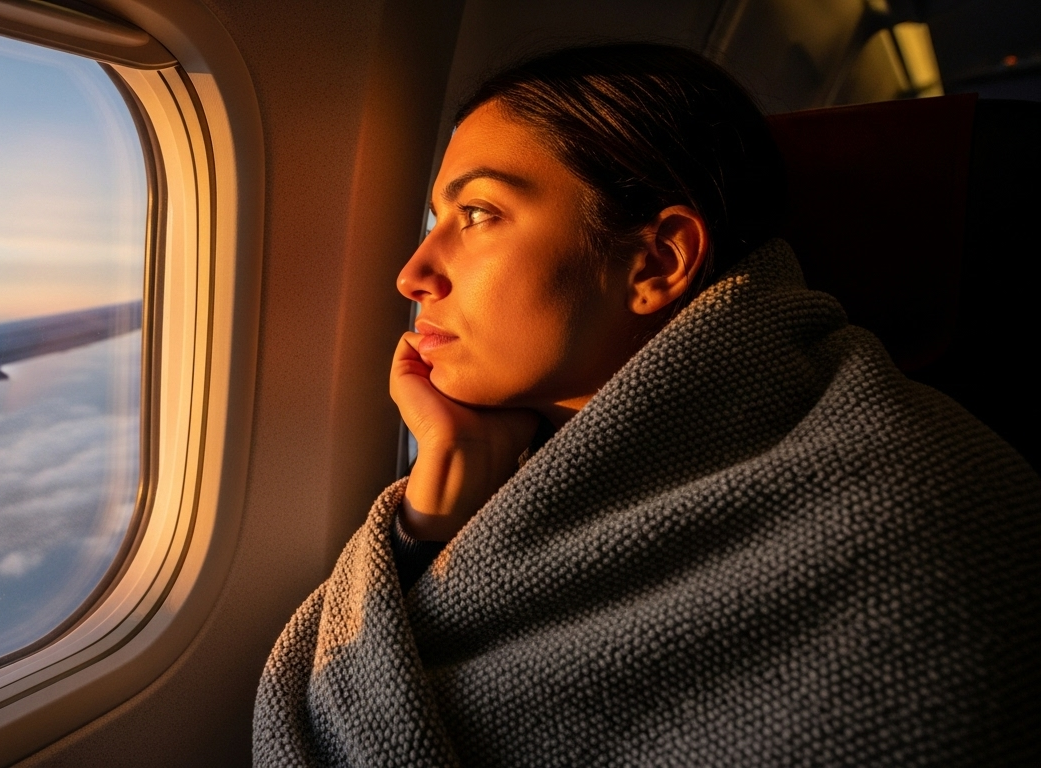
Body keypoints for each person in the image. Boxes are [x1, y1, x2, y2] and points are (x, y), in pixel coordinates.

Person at [253, 43, 1041, 766]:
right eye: (437, 221)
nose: (414, 272)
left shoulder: (919, 509)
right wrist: (436, 511)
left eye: (480, 214)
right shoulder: (487, 483)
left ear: (658, 260)